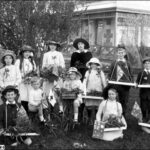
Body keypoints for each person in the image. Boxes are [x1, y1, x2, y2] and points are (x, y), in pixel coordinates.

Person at [104, 46, 133, 116]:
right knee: (113, 99)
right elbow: (110, 72)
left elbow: (130, 73)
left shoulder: (128, 63)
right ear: (117, 54)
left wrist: (131, 82)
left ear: (124, 53)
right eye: (119, 53)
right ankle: (112, 116)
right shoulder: (114, 62)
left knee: (124, 101)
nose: (120, 54)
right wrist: (108, 78)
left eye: (122, 53)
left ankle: (123, 117)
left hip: (125, 85)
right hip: (115, 84)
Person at [42, 40, 65, 113]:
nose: (52, 46)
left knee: (57, 92)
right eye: (50, 45)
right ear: (48, 46)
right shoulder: (46, 54)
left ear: (56, 46)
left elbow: (62, 64)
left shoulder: (59, 54)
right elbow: (44, 65)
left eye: (54, 45)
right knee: (49, 93)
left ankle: (59, 110)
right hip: (49, 76)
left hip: (57, 75)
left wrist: (57, 69)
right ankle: (50, 110)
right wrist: (48, 70)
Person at [83, 57, 107, 125]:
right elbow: (85, 81)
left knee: (98, 105)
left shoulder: (100, 72)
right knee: (89, 105)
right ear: (90, 65)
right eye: (92, 64)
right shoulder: (88, 72)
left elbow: (103, 81)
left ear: (97, 65)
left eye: (95, 64)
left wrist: (105, 90)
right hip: (89, 90)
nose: (93, 65)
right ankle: (90, 118)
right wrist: (84, 90)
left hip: (98, 91)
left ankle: (97, 118)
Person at [15, 45, 36, 115]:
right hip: (22, 83)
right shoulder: (18, 61)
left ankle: (31, 115)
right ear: (22, 53)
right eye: (25, 52)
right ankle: (25, 114)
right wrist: (22, 78)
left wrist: (31, 78)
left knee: (30, 98)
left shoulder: (32, 62)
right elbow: (16, 72)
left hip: (30, 83)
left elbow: (34, 72)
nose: (27, 54)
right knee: (23, 98)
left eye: (29, 52)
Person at [136, 57, 150, 123]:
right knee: (143, 108)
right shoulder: (141, 73)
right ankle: (143, 118)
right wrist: (136, 84)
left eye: (148, 63)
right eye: (146, 63)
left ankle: (149, 120)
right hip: (143, 94)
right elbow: (137, 82)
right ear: (144, 65)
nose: (147, 65)